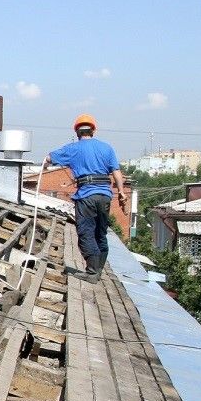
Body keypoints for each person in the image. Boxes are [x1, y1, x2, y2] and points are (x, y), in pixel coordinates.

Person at [42, 114, 127, 282]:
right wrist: (122, 192)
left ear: (77, 132)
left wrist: (45, 162)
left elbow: (49, 158)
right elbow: (116, 172)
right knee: (100, 233)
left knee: (86, 232)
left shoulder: (73, 149)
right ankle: (98, 270)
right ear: (93, 130)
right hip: (104, 195)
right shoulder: (106, 148)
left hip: (86, 196)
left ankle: (92, 272)